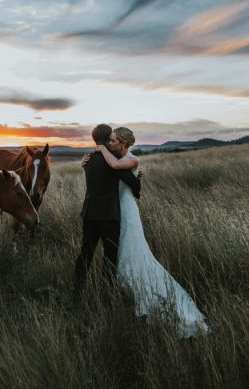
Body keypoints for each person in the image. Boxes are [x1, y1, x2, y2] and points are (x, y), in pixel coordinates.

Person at [87, 127, 210, 338]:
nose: (109, 144)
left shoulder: (131, 160)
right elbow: (116, 175)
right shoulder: (115, 157)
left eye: (113, 141)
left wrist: (99, 149)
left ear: (124, 144)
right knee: (120, 252)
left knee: (133, 251)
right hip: (114, 210)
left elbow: (117, 167)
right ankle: (119, 291)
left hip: (125, 210)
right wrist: (87, 160)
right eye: (108, 141)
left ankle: (147, 294)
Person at [75, 124, 141, 300]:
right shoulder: (112, 159)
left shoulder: (88, 159)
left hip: (89, 213)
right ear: (106, 140)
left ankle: (76, 291)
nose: (112, 142)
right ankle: (106, 295)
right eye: (110, 139)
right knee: (110, 256)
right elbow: (133, 182)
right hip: (108, 216)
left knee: (85, 253)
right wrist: (137, 187)